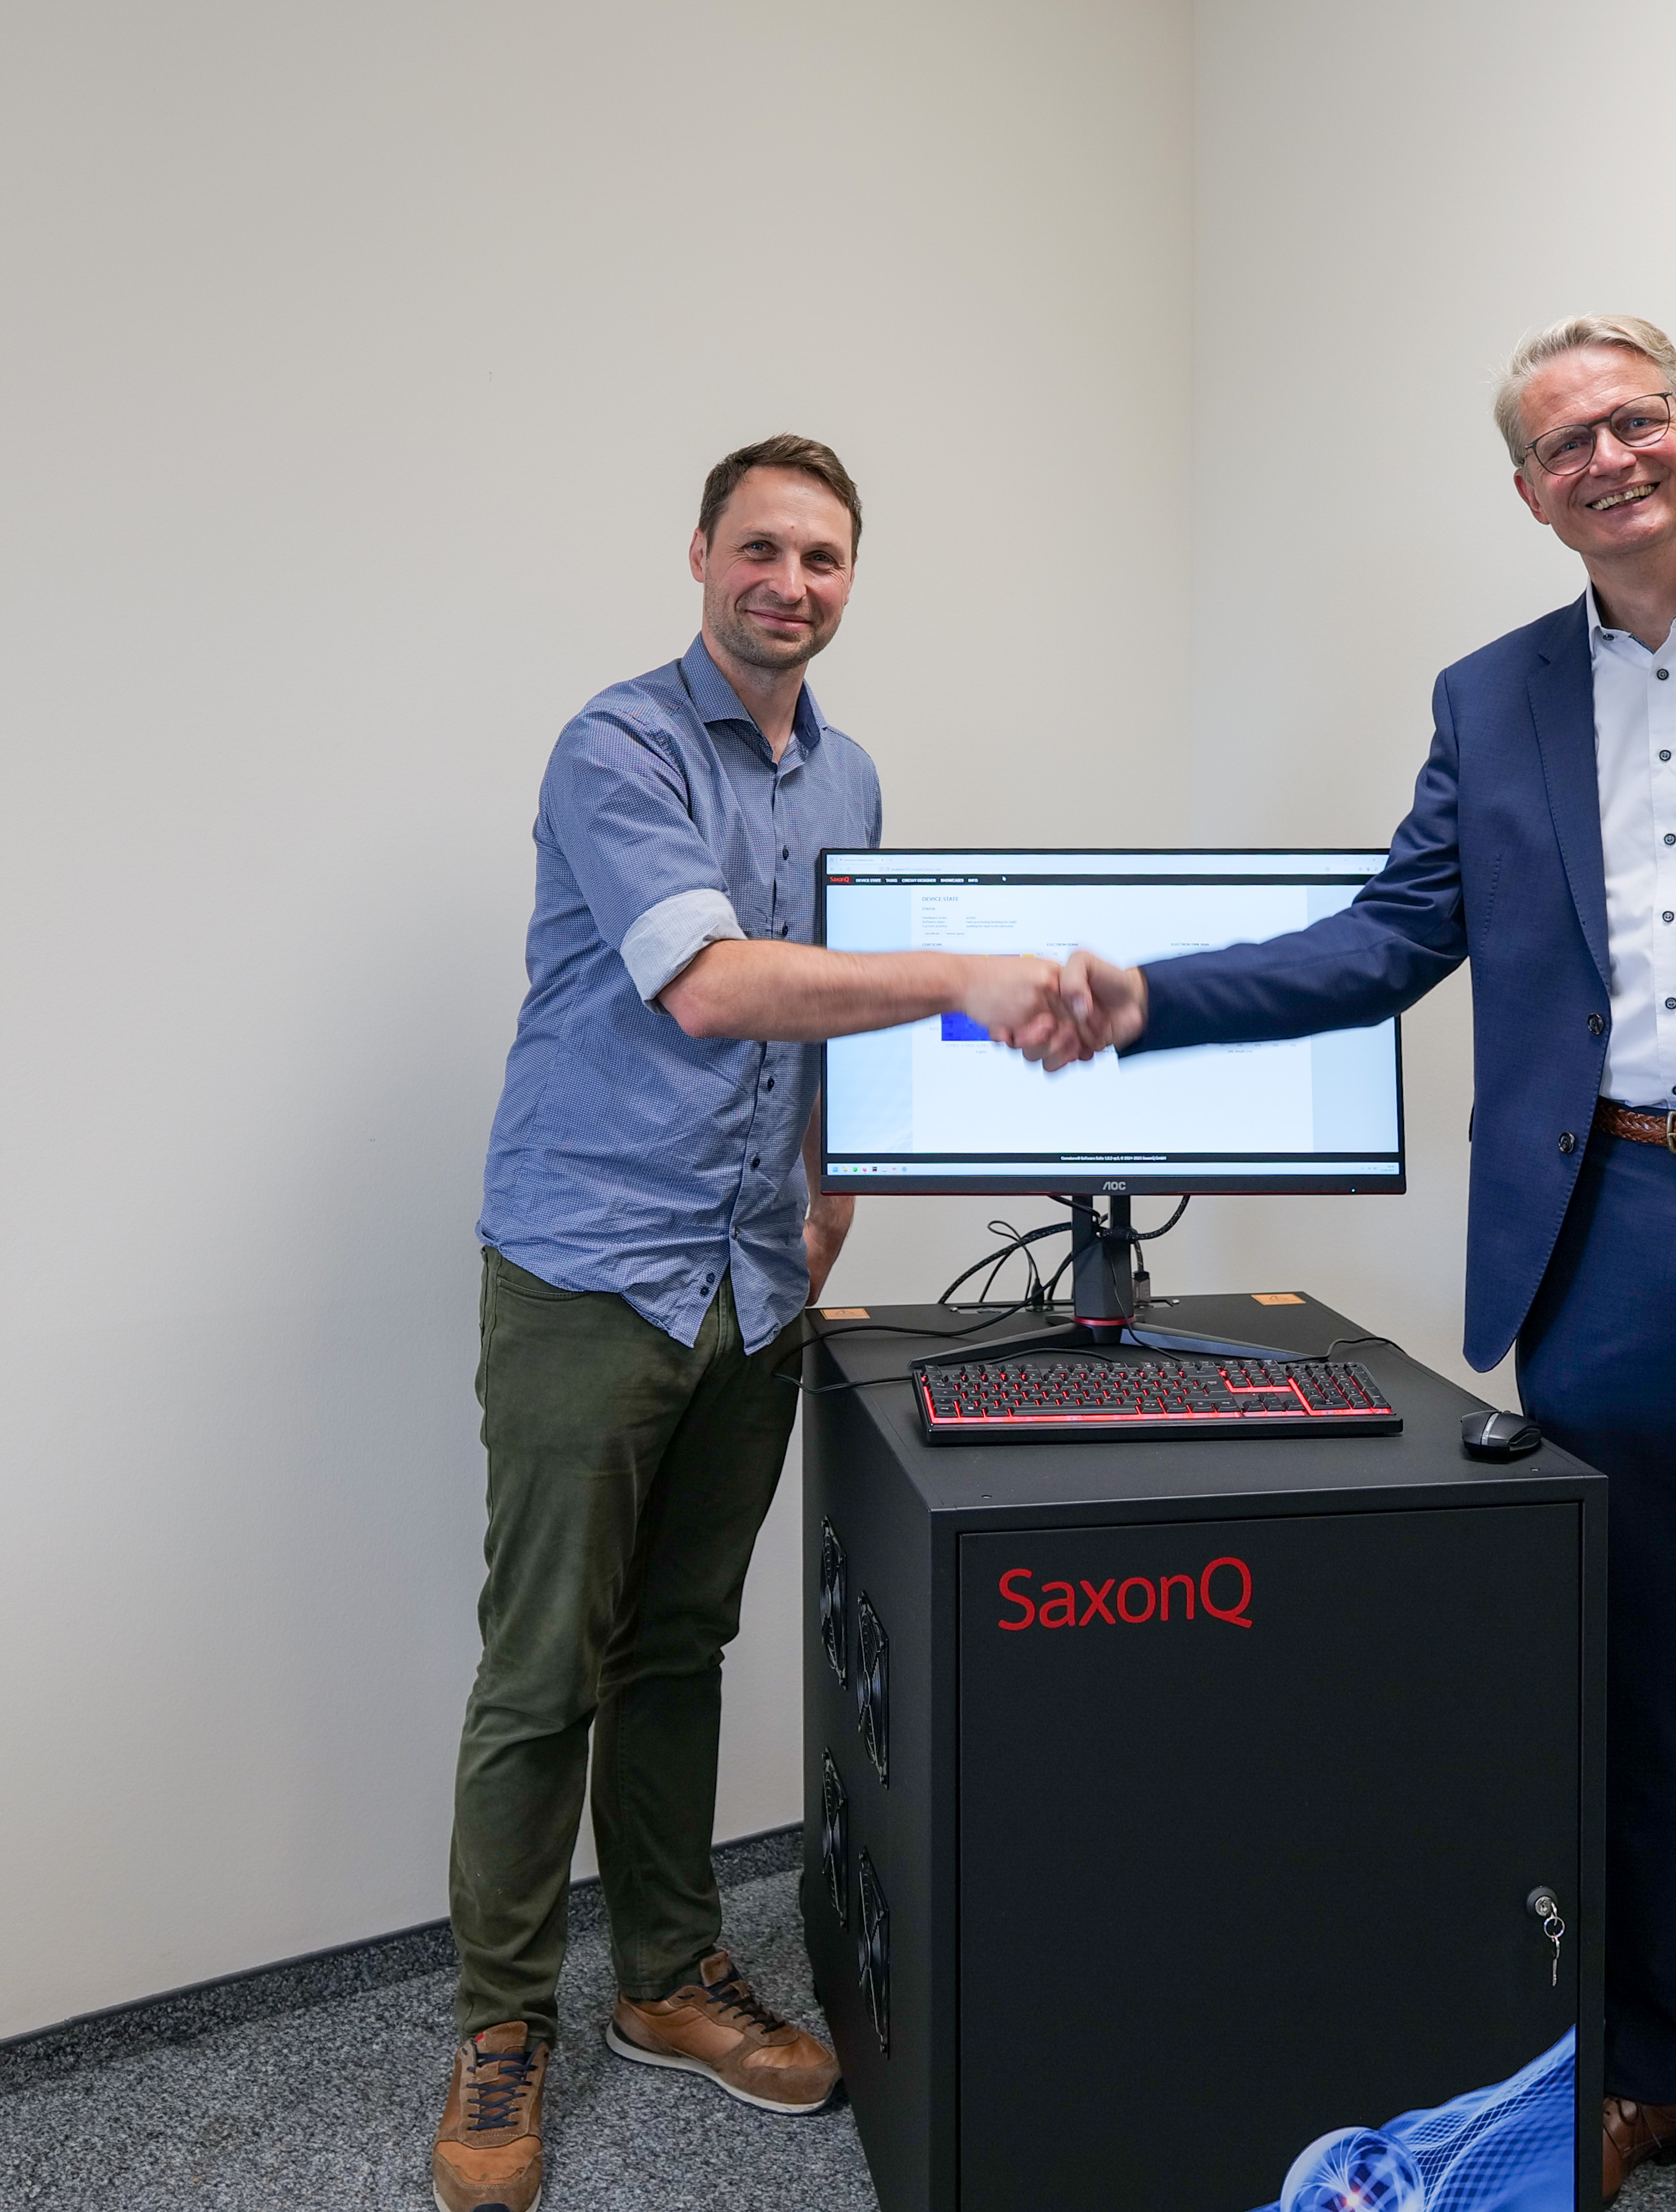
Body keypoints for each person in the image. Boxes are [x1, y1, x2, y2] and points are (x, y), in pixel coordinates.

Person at [1054, 318, 1676, 2212]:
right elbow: (1385, 940)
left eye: (1631, 422)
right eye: (1562, 446)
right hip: (1602, 1239)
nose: (1605, 459)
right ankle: (1652, 2077)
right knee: (1622, 1701)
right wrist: (1147, 1003)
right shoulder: (1492, 694)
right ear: (1527, 494)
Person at [434, 435, 1085, 2212]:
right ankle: (501, 2027)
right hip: (593, 1263)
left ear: (849, 581)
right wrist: (966, 975)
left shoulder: (846, 772)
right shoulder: (619, 745)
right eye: (761, 550)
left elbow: (820, 1019)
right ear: (701, 557)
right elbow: (715, 986)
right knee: (540, 1671)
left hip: (752, 1272)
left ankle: (663, 1976)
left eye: (823, 558)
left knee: (681, 1645)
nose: (790, 585)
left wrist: (834, 1179)